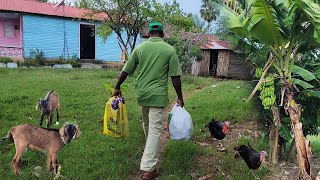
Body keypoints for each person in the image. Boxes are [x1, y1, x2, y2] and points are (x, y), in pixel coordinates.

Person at [113, 22, 184, 180]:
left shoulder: (140, 48)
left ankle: (149, 151)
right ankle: (149, 169)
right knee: (154, 130)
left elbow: (126, 70)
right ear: (162, 33)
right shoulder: (169, 50)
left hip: (142, 95)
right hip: (158, 96)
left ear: (149, 33)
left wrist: (117, 86)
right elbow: (175, 78)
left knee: (147, 124)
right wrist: (180, 96)